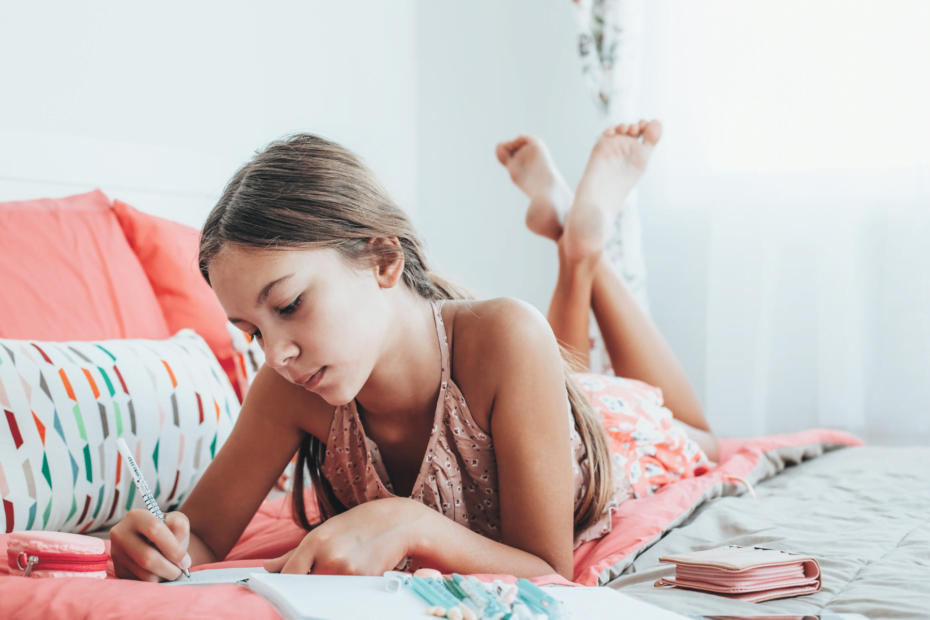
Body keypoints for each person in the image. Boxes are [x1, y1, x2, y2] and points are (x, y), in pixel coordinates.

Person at [110, 120, 718, 583]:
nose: (277, 354)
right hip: (537, 392)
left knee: (699, 437)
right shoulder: (288, 386)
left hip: (602, 439)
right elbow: (205, 539)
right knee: (565, 370)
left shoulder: (505, 333)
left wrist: (409, 523)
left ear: (382, 259)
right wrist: (151, 548)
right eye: (251, 331)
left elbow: (547, 572)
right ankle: (569, 230)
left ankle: (582, 249)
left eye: (290, 304)